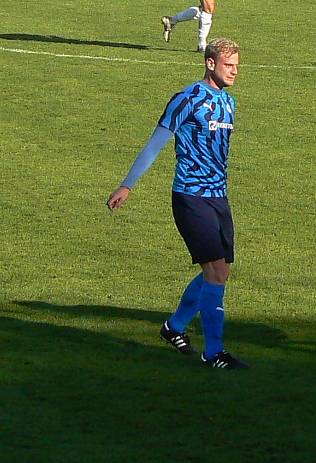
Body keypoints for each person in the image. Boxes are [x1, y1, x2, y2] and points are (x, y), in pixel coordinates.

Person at [107, 38, 248, 370]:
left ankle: (174, 327)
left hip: (218, 197)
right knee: (214, 271)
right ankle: (214, 352)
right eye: (229, 65)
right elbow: (155, 145)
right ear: (210, 63)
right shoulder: (186, 100)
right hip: (190, 197)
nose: (235, 71)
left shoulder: (229, 103)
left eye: (237, 66)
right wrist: (127, 185)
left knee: (221, 271)